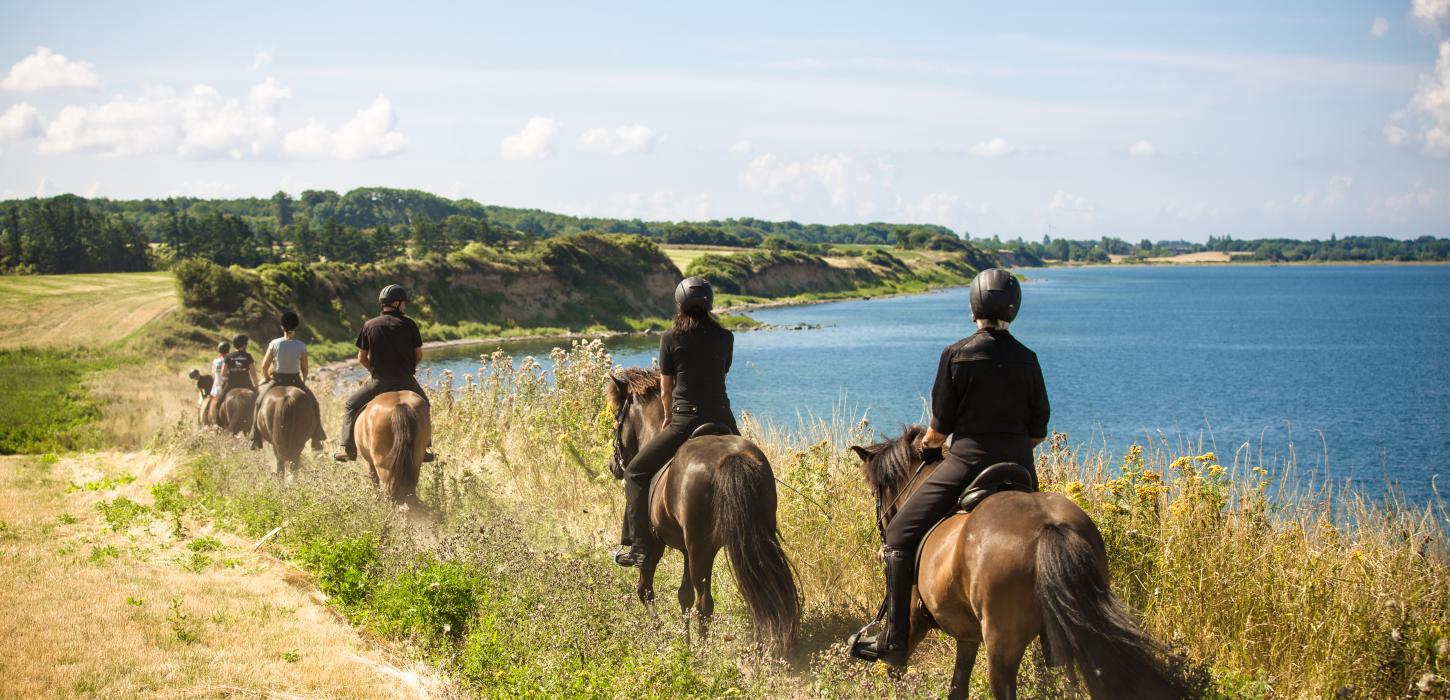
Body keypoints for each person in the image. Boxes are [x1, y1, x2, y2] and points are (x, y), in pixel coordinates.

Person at [849, 268, 1050, 666]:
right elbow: (1038, 431)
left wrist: (928, 445)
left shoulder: (956, 355)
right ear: (1014, 309)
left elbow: (939, 429)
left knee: (899, 534)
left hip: (967, 463)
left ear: (974, 307)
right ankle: (1053, 640)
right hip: (1021, 469)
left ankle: (894, 640)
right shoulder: (1028, 359)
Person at [613, 277, 738, 567]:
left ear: (680, 304)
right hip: (724, 419)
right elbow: (721, 376)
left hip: (685, 420)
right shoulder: (726, 337)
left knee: (635, 473)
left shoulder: (670, 338)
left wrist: (669, 416)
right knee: (750, 466)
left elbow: (666, 388)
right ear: (710, 304)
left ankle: (638, 547)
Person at [333, 284, 434, 463]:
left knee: (351, 405)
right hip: (405, 380)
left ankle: (348, 449)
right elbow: (418, 355)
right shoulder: (409, 324)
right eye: (404, 303)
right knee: (424, 404)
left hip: (380, 381)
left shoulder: (369, 325)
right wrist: (408, 369)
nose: (405, 306)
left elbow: (361, 357)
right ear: (396, 303)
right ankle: (425, 447)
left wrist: (373, 371)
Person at [250, 311, 326, 451]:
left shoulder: (274, 343)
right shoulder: (301, 345)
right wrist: (303, 380)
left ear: (282, 326)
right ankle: (317, 437)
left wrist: (267, 377)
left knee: (258, 402)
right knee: (314, 404)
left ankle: (255, 437)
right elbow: (305, 368)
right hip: (295, 380)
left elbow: (264, 366)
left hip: (277, 379)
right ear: (296, 327)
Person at [203, 341, 229, 425]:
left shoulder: (215, 361)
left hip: (217, 386)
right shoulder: (230, 359)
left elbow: (213, 374)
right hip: (227, 386)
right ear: (228, 350)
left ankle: (205, 421)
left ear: (219, 351)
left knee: (207, 404)